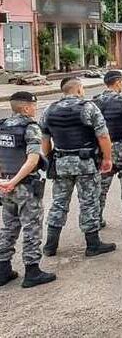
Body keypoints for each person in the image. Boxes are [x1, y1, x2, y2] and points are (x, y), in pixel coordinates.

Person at [41, 77, 116, 257]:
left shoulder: (49, 110)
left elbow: (45, 140)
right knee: (89, 201)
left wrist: (51, 158)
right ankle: (93, 244)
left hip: (61, 162)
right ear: (79, 89)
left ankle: (50, 245)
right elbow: (103, 137)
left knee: (59, 202)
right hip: (86, 164)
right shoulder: (88, 108)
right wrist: (107, 158)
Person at [0, 92, 56, 288]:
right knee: (31, 227)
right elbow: (32, 160)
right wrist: (15, 180)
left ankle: (3, 270)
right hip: (23, 185)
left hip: (5, 185)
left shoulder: (2, 125)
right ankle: (32, 272)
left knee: (9, 227)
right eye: (33, 105)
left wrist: (5, 181)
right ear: (25, 108)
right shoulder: (30, 128)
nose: (35, 108)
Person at [93, 70, 122, 231]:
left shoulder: (95, 103)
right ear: (118, 82)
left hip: (104, 150)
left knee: (101, 186)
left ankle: (97, 219)